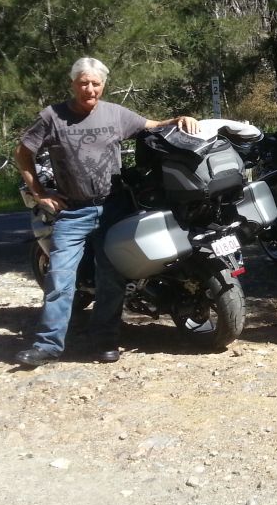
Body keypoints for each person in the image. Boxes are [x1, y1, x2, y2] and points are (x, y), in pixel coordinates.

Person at [13, 57, 199, 368]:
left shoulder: (115, 113)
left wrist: (180, 119)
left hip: (114, 206)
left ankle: (105, 340)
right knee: (60, 277)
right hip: (73, 211)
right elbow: (23, 152)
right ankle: (47, 345)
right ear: (73, 84)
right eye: (83, 83)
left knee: (110, 275)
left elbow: (151, 125)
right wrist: (39, 193)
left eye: (95, 83)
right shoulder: (53, 117)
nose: (89, 89)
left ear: (103, 85)